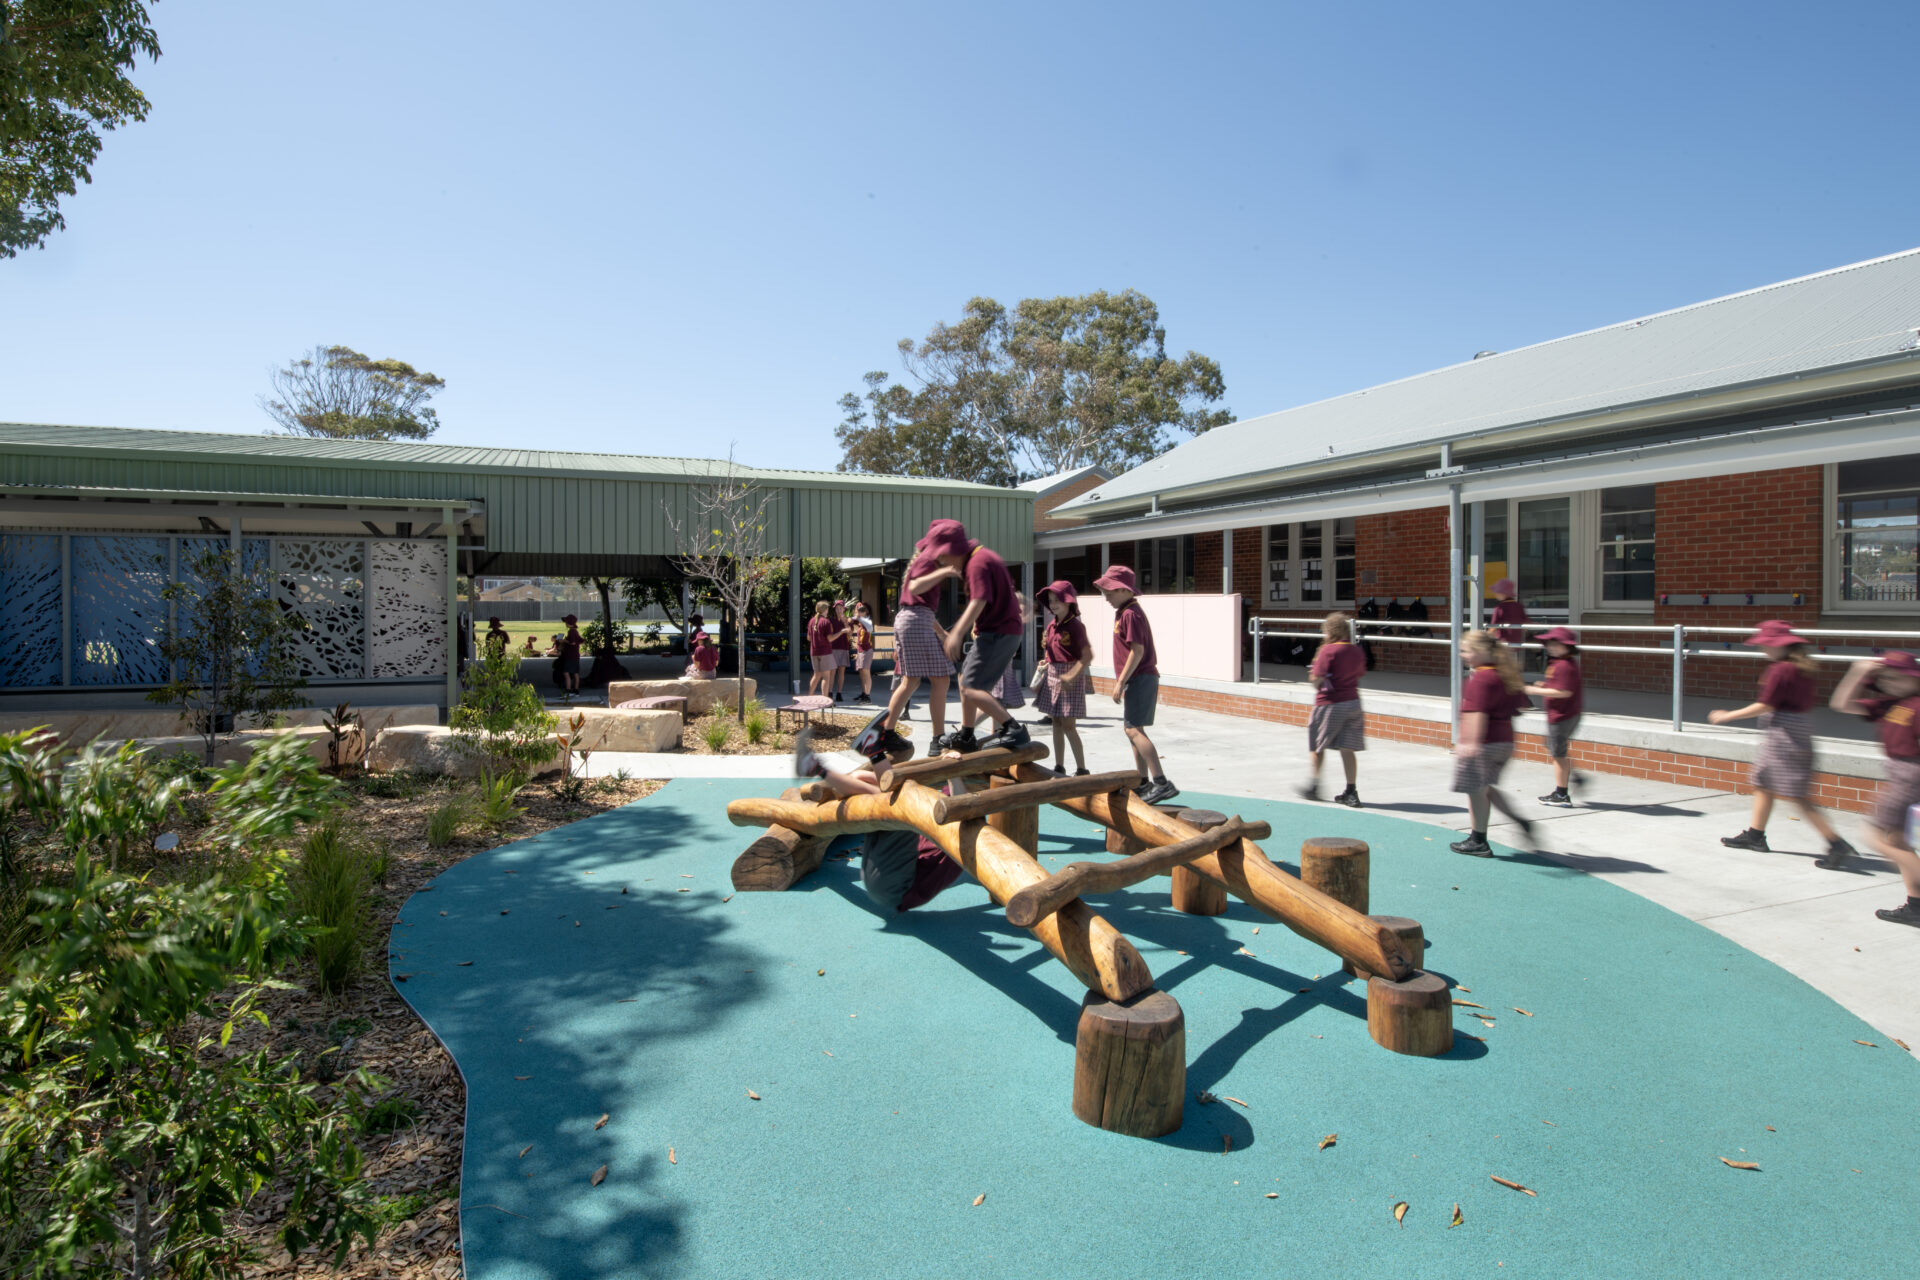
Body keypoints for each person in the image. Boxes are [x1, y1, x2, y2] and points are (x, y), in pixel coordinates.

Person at [1709, 621, 1855, 865]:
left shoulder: (1780, 670)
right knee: (1764, 782)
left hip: (1783, 734)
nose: (1763, 648)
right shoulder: (1801, 667)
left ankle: (1836, 843)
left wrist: (1728, 715)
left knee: (1797, 795)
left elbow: (1766, 704)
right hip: (1795, 730)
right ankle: (1755, 835)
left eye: (1766, 644)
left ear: (1779, 646)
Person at [793, 729, 965, 914]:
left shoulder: (960, 835)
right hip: (886, 874)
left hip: (899, 887)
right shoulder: (934, 807)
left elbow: (960, 810)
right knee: (864, 780)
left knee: (899, 803)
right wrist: (950, 767)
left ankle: (866, 753)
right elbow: (876, 782)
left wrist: (954, 773)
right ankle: (855, 756)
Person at [920, 518, 1028, 754]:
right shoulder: (979, 559)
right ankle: (967, 733)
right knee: (964, 680)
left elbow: (980, 599)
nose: (941, 562)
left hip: (1000, 633)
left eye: (942, 556)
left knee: (971, 687)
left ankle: (1013, 729)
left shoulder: (978, 563)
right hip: (995, 631)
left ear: (952, 550)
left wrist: (957, 632)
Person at [1830, 651, 1920, 927]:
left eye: (1897, 677)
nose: (1890, 683)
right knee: (1897, 842)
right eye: (1884, 678)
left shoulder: (1917, 705)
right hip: (1899, 772)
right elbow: (1841, 704)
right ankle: (1915, 907)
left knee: (1874, 837)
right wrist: (1858, 672)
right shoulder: (1887, 704)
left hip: (1911, 774)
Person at [1094, 564, 1177, 805]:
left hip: (1140, 677)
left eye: (1110, 592)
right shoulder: (1124, 611)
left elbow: (1137, 651)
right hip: (1137, 678)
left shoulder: (1130, 613)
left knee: (1133, 730)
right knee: (1133, 730)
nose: (1107, 597)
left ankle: (1161, 782)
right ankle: (1143, 782)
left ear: (1124, 590)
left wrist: (1120, 682)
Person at [1450, 629, 1534, 856]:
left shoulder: (1480, 679)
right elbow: (1522, 705)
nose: (1462, 655)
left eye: (1465, 651)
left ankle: (1478, 840)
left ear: (1479, 652)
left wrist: (1469, 742)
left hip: (1485, 742)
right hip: (1505, 741)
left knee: (1476, 791)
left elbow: (1477, 713)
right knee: (1485, 788)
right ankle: (1518, 821)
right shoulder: (1504, 675)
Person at [872, 534, 957, 758]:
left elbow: (920, 607)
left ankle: (886, 733)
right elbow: (917, 588)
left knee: (911, 680)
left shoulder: (923, 561)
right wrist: (945, 571)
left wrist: (941, 632)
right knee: (941, 679)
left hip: (912, 619)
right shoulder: (929, 561)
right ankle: (938, 739)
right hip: (916, 621)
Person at [1299, 611, 1365, 807]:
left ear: (1330, 630)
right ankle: (1351, 791)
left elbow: (1316, 679)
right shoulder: (1356, 650)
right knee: (1347, 748)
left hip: (1329, 703)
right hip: (1353, 702)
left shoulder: (1328, 651)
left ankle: (1315, 785)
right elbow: (1359, 673)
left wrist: (1314, 674)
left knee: (1318, 745)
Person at [1035, 581, 1093, 775]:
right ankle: (1059, 766)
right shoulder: (1052, 625)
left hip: (1070, 678)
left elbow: (1087, 656)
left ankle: (1082, 768)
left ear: (1069, 602)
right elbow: (1051, 651)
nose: (1053, 604)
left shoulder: (1076, 626)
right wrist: (1045, 662)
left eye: (1058, 600)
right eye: (1050, 601)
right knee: (1056, 723)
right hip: (1053, 675)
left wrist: (1072, 675)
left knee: (1069, 725)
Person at [1525, 626, 1585, 807]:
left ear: (1568, 647)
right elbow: (1558, 685)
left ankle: (1561, 794)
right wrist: (1545, 685)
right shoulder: (1558, 663)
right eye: (1550, 644)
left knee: (1558, 754)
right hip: (1559, 714)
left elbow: (1564, 691)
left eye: (1557, 644)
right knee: (1551, 745)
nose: (1552, 647)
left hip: (1563, 715)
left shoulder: (1565, 666)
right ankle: (1573, 778)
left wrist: (1533, 690)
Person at [806, 600, 836, 696]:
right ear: (825, 610)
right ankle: (825, 699)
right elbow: (830, 638)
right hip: (825, 652)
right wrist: (841, 632)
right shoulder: (826, 622)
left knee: (816, 675)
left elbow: (809, 638)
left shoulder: (812, 621)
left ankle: (809, 697)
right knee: (826, 677)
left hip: (814, 651)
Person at [849, 601, 876, 703]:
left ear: (867, 612)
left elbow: (868, 626)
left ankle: (867, 696)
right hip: (860, 650)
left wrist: (857, 616)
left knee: (866, 672)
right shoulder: (860, 622)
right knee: (862, 672)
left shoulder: (868, 622)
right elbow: (850, 620)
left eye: (862, 610)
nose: (860, 612)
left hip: (866, 650)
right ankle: (864, 693)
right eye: (859, 610)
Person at [828, 600, 853, 701]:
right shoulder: (831, 621)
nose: (839, 610)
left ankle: (839, 693)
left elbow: (850, 634)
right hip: (833, 648)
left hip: (843, 648)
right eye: (837, 608)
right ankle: (830, 692)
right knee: (832, 672)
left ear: (844, 609)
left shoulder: (848, 621)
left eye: (840, 608)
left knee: (841, 672)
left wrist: (845, 622)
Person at [555, 614, 583, 697]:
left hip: (570, 656)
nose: (565, 623)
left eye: (566, 622)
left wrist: (563, 641)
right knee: (575, 673)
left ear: (569, 623)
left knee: (566, 673)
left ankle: (568, 691)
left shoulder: (571, 631)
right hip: (575, 655)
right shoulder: (575, 631)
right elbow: (580, 640)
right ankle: (576, 690)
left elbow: (573, 642)